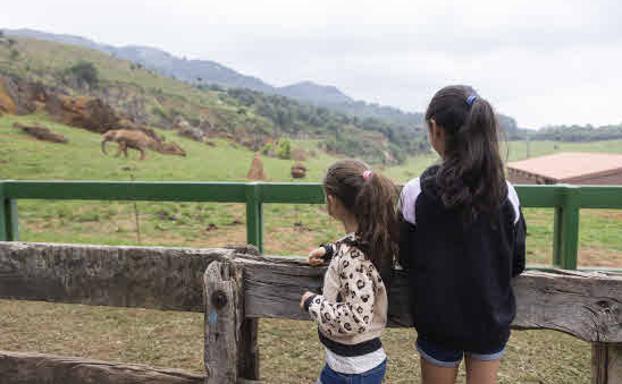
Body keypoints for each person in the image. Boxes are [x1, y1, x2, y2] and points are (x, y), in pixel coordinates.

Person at [399, 85, 527, 384]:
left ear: (435, 129)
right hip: (490, 321)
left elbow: (406, 258)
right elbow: (516, 263)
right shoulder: (506, 193)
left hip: (438, 323)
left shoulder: (415, 192)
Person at [299, 159, 399, 384]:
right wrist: (329, 250)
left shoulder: (353, 257)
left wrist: (312, 302)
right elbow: (355, 251)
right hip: (350, 365)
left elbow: (356, 319)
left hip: (352, 372)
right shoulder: (374, 239)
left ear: (332, 201)